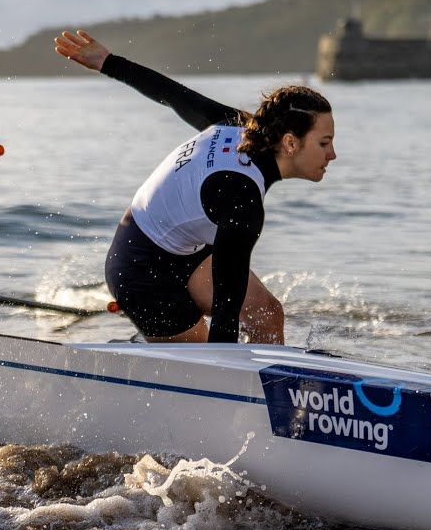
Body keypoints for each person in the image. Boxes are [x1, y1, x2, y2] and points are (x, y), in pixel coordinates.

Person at [54, 29, 336, 344]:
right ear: (289, 142)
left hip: (186, 249)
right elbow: (226, 320)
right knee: (202, 352)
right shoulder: (241, 201)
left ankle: (260, 389)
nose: (332, 154)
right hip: (141, 270)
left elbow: (172, 95)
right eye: (324, 143)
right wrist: (220, 377)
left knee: (266, 316)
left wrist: (109, 62)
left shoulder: (241, 127)